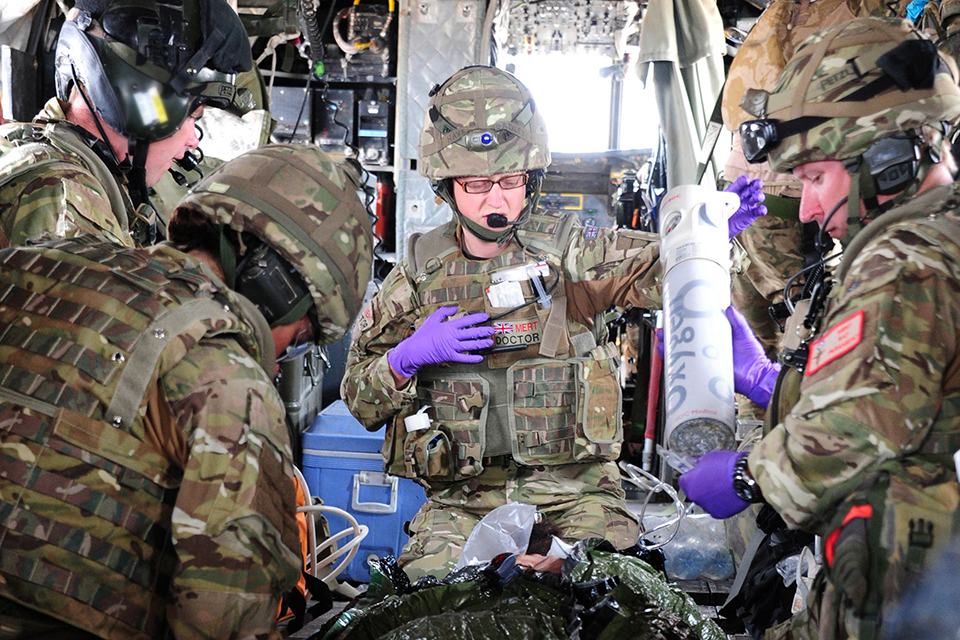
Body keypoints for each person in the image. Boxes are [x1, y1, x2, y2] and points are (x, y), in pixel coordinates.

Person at [341, 64, 767, 581]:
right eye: (476, 183)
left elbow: (665, 270)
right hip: (464, 502)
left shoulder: (571, 251)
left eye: (510, 181)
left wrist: (712, 239)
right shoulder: (416, 276)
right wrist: (405, 358)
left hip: (578, 491)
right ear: (446, 186)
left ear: (532, 177)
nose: (495, 199)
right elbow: (360, 399)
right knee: (429, 599)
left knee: (614, 587)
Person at [0, 143, 374, 640]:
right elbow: (223, 619)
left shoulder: (36, 263)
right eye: (302, 337)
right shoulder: (231, 385)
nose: (281, 355)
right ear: (277, 291)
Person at [678, 17, 960, 640]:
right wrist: (770, 382)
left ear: (887, 161)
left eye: (814, 179)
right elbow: (888, 389)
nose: (805, 209)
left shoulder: (904, 262)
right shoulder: (929, 238)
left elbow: (857, 427)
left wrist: (747, 475)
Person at [0, 0, 254, 249]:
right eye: (193, 116)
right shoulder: (64, 198)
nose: (193, 140)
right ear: (142, 103)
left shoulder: (28, 144)